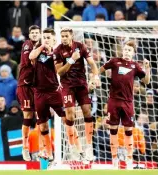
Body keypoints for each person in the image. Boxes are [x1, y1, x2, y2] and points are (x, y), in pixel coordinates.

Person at [100, 40, 151, 169]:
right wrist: (95, 77)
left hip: (128, 102)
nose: (127, 52)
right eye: (126, 49)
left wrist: (147, 68)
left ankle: (129, 160)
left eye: (130, 50)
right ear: (123, 50)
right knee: (113, 130)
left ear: (133, 53)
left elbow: (146, 81)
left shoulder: (135, 66)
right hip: (114, 101)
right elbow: (100, 69)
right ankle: (114, 160)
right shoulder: (114, 61)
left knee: (129, 131)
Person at [53, 27, 99, 163]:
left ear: (71, 36)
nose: (64, 38)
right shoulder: (57, 51)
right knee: (70, 115)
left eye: (66, 36)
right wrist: (72, 60)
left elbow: (92, 63)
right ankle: (73, 146)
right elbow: (60, 72)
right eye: (62, 36)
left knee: (87, 112)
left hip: (81, 84)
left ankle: (89, 146)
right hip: (67, 86)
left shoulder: (81, 46)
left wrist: (95, 76)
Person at [29, 28, 66, 165]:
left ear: (54, 40)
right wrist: (42, 46)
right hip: (39, 93)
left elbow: (61, 71)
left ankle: (76, 148)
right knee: (43, 126)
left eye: (48, 37)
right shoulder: (38, 52)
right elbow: (31, 57)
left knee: (67, 119)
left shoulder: (58, 53)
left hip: (54, 91)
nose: (46, 39)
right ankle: (50, 155)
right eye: (44, 37)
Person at [16, 25, 40, 161]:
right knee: (28, 116)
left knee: (41, 116)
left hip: (38, 86)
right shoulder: (27, 45)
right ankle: (25, 147)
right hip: (25, 85)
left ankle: (40, 148)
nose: (35, 35)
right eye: (33, 33)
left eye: (37, 32)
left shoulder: (44, 45)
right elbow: (30, 62)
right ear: (29, 35)